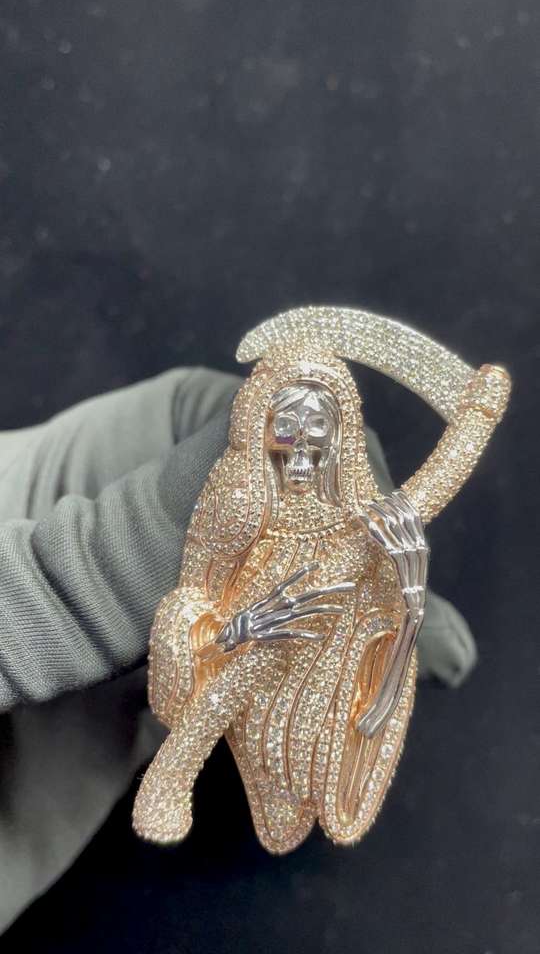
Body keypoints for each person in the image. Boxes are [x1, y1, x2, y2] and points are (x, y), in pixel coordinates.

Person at [0, 366, 476, 932]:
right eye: (287, 425)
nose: (299, 447)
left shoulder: (357, 530)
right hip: (235, 673)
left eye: (315, 428)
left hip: (315, 706)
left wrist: (408, 610)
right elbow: (192, 606)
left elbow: (437, 484)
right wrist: (241, 626)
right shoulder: (236, 502)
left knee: (312, 790)